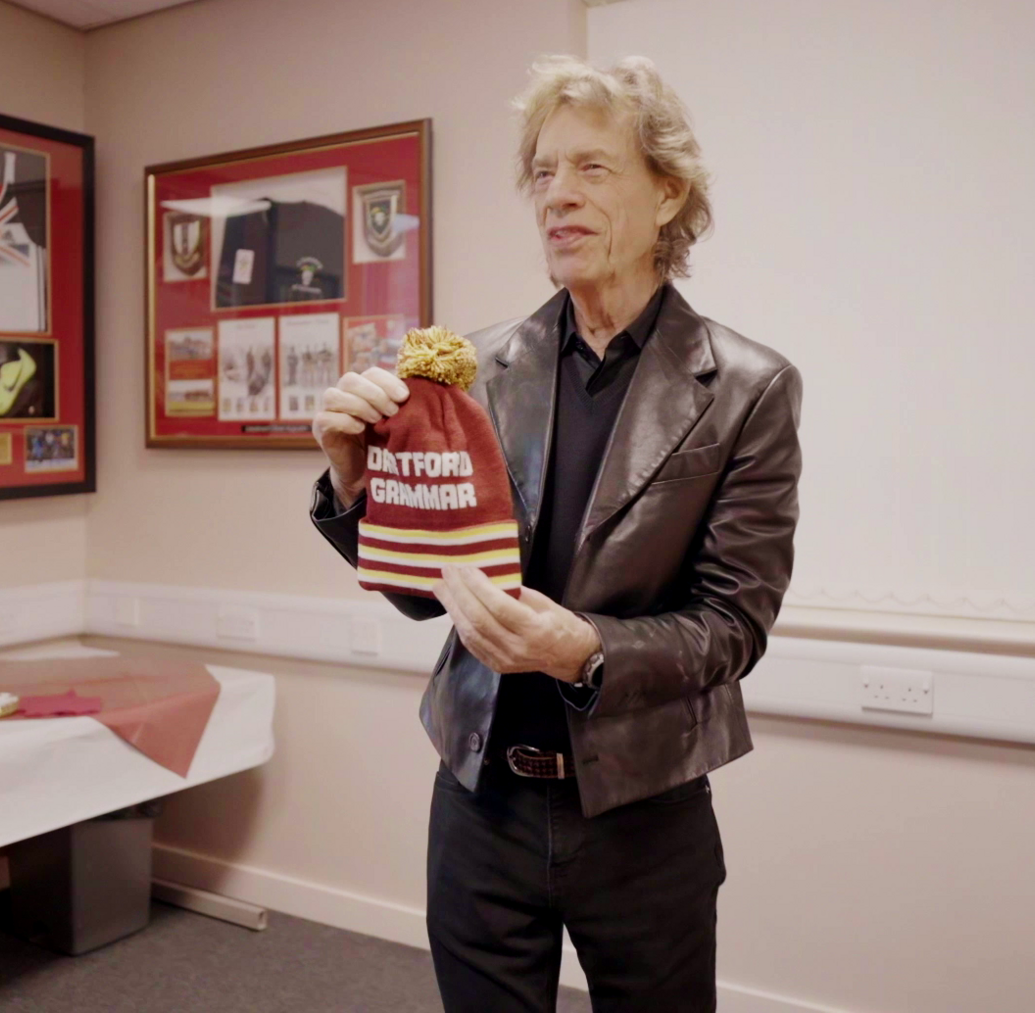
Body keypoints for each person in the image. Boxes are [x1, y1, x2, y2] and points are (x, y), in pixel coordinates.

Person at [309, 55, 802, 1012]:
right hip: (478, 799)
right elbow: (420, 592)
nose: (557, 195)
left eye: (592, 168)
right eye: (543, 171)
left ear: (668, 193)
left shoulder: (748, 387)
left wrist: (585, 650)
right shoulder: (473, 366)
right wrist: (351, 478)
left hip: (645, 811)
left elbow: (733, 627)